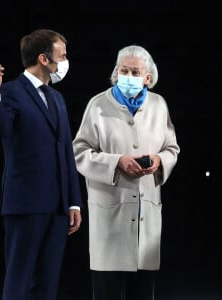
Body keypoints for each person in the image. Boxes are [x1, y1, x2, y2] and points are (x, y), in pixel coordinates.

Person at [72, 45, 180, 300]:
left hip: (146, 218)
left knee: (142, 291)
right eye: (124, 70)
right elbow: (79, 151)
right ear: (116, 72)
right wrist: (116, 161)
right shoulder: (98, 104)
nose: (128, 76)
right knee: (107, 291)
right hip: (110, 218)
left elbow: (172, 148)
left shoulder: (158, 105)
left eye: (135, 72)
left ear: (148, 78)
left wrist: (158, 159)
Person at [0, 29, 82, 300]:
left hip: (58, 207)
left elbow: (66, 152)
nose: (65, 60)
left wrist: (73, 202)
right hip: (25, 204)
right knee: (20, 279)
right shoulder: (11, 92)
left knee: (47, 284)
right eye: (61, 56)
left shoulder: (57, 98)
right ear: (44, 58)